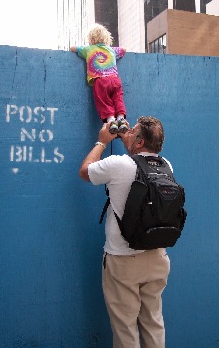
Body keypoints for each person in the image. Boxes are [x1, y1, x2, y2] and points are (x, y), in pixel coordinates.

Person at [79, 116, 171, 348]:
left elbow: (85, 171)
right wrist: (129, 138)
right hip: (157, 257)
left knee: (125, 328)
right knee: (153, 322)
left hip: (123, 260)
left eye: (132, 132)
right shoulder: (166, 165)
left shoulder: (118, 165)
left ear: (139, 142)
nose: (126, 132)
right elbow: (139, 162)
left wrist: (102, 142)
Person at [70, 23, 128, 134]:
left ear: (91, 39)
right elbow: (124, 50)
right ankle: (121, 118)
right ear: (107, 39)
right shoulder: (112, 50)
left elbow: (73, 48)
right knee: (118, 99)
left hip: (101, 80)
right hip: (115, 79)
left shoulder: (88, 49)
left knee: (104, 101)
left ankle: (111, 120)